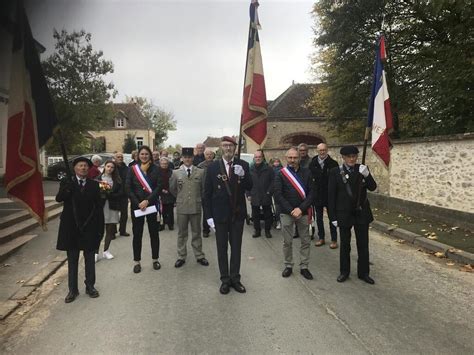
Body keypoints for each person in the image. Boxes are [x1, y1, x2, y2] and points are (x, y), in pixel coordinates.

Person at [203, 136, 252, 294]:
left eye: (231, 146)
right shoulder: (212, 168)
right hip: (220, 215)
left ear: (235, 148)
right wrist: (208, 216)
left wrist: (243, 175)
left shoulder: (243, 165)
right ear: (221, 148)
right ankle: (225, 279)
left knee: (236, 248)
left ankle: (235, 279)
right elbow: (207, 194)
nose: (228, 148)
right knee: (222, 248)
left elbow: (250, 186)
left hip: (237, 215)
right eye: (225, 146)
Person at [56, 157, 104, 303]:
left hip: (89, 227)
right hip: (71, 227)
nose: (83, 168)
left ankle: (90, 286)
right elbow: (59, 198)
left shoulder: (94, 185)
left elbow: (98, 208)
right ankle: (72, 290)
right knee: (72, 260)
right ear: (75, 168)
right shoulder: (67, 182)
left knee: (89, 259)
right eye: (80, 166)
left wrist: (99, 230)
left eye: (85, 166)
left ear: (88, 169)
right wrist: (68, 188)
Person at [328, 145, 377, 284]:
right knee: (345, 245)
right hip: (343, 214)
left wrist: (367, 175)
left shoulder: (362, 169)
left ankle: (364, 273)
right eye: (348, 156)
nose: (352, 159)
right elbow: (331, 196)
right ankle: (344, 271)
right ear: (343, 158)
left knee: (363, 245)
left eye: (354, 156)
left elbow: (373, 187)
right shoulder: (335, 172)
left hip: (361, 213)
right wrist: (333, 217)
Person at [274, 147, 314, 280]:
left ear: (299, 158)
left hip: (303, 212)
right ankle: (288, 265)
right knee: (287, 241)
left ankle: (304, 267)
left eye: (295, 157)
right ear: (286, 158)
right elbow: (278, 195)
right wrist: (291, 209)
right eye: (290, 157)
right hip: (287, 213)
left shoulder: (307, 172)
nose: (292, 160)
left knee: (305, 240)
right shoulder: (280, 174)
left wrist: (300, 209)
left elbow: (312, 193)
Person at [169, 148, 209, 268]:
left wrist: (197, 199)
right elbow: (172, 189)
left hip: (196, 206)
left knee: (196, 232)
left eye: (190, 157)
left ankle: (199, 255)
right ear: (182, 158)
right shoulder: (176, 173)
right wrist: (181, 198)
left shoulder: (200, 172)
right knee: (182, 233)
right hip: (182, 207)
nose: (187, 159)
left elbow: (203, 189)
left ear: (193, 158)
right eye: (185, 157)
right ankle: (181, 256)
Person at [126, 145, 162, 273]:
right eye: (142, 154)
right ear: (138, 156)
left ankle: (155, 259)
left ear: (150, 155)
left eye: (147, 154)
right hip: (137, 207)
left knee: (154, 233)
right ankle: (137, 262)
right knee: (137, 234)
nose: (144, 156)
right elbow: (128, 188)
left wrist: (147, 201)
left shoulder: (156, 169)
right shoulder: (132, 169)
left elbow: (159, 186)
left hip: (151, 205)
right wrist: (138, 202)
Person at [309, 143, 339, 248]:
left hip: (329, 195)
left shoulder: (333, 164)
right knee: (319, 218)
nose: (322, 152)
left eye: (324, 150)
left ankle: (334, 239)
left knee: (332, 218)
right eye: (320, 150)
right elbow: (310, 180)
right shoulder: (312, 163)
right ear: (317, 151)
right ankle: (321, 238)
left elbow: (337, 181)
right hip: (317, 196)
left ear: (327, 150)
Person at [98, 160, 123, 260]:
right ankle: (95, 253)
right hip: (101, 206)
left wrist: (110, 193)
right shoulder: (98, 179)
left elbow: (121, 193)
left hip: (113, 206)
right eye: (108, 166)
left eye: (112, 167)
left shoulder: (117, 180)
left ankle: (106, 251)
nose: (110, 169)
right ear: (104, 167)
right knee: (99, 231)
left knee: (110, 229)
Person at [247, 149, 274, 238]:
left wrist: (269, 192)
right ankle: (257, 231)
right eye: (256, 157)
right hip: (254, 194)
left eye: (259, 157)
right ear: (253, 158)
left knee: (268, 214)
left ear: (262, 158)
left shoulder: (269, 169)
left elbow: (273, 182)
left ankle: (267, 231)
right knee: (255, 215)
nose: (258, 158)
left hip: (266, 194)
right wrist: (248, 194)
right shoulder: (250, 169)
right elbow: (247, 183)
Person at [197, 148, 216, 237]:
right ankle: (206, 230)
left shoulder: (218, 164)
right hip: (204, 193)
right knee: (206, 212)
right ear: (204, 156)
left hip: (216, 193)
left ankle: (217, 229)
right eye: (207, 154)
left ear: (213, 155)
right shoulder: (200, 166)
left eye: (210, 154)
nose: (209, 156)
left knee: (217, 211)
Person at [114, 152, 130, 237]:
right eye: (118, 157)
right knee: (114, 214)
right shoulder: (112, 167)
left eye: (121, 157)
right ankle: (112, 232)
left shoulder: (127, 168)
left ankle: (122, 230)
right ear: (115, 158)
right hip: (114, 195)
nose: (120, 158)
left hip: (124, 194)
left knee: (124, 214)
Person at [157, 157, 175, 231]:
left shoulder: (172, 172)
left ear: (168, 164)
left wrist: (168, 190)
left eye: (166, 163)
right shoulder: (157, 172)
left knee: (170, 210)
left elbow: (174, 182)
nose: (164, 165)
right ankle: (162, 224)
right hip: (160, 193)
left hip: (170, 193)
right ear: (160, 164)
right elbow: (155, 183)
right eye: (162, 164)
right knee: (162, 210)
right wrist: (161, 190)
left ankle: (170, 224)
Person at [271, 158, 283, 230]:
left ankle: (279, 221)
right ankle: (278, 220)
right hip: (274, 190)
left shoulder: (282, 169)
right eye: (275, 162)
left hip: (280, 189)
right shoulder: (270, 169)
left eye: (277, 161)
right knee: (276, 206)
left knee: (279, 206)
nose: (276, 163)